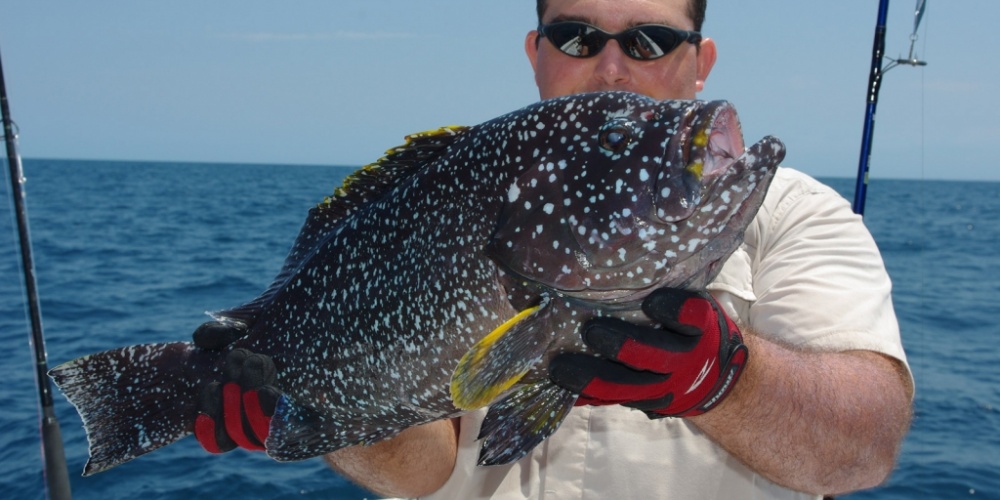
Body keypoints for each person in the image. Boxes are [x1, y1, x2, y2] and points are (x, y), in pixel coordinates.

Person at [195, 1, 914, 498]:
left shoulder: (798, 216)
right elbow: (422, 474)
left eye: (650, 40)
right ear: (537, 54)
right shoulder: (458, 195)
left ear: (702, 62)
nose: (610, 66)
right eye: (576, 37)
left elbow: (867, 448)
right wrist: (328, 417)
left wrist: (725, 380)